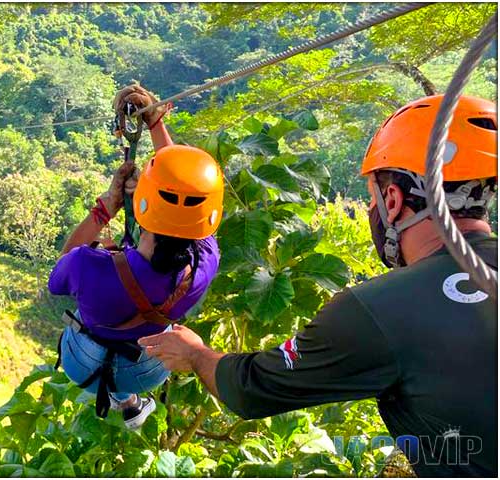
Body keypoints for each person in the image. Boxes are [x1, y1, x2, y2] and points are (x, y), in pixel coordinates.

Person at [139, 95, 498, 476]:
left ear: (393, 200)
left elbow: (251, 388)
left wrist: (196, 355)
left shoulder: (377, 310)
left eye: (373, 197)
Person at [48, 84, 224, 430]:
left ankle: (120, 397)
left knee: (88, 333)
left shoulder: (89, 266)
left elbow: (59, 274)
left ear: (140, 202)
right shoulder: (206, 260)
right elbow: (190, 200)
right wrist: (157, 125)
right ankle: (128, 398)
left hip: (83, 362)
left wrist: (106, 208)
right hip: (147, 369)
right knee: (148, 330)